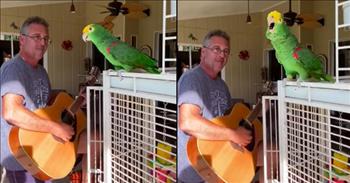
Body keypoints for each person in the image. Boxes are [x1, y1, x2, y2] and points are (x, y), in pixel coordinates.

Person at [0, 16, 86, 183]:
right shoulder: (14, 69)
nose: (42, 42)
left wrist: (75, 99)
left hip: (44, 149)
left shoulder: (41, 71)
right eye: (36, 37)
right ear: (22, 40)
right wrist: (55, 127)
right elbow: (12, 113)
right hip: (22, 156)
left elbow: (43, 103)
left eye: (46, 38)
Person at [177, 30, 253, 183]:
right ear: (203, 52)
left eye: (226, 51)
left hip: (219, 165)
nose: (222, 54)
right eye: (216, 49)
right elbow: (188, 122)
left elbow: (225, 121)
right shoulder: (192, 78)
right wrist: (233, 134)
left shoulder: (222, 85)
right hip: (195, 172)